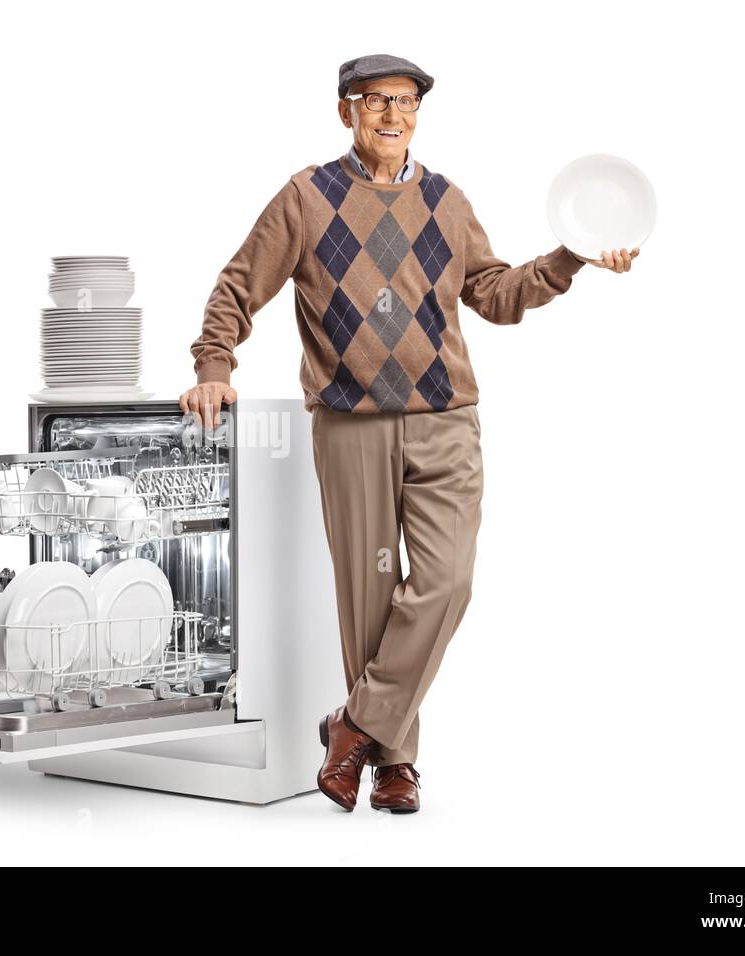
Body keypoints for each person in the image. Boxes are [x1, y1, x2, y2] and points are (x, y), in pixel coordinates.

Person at [179, 54, 638, 813]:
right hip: (350, 423)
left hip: (444, 419)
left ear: (418, 113)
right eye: (374, 101)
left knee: (446, 584)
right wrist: (213, 364)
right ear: (344, 111)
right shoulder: (308, 197)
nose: (392, 116)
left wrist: (570, 258)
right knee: (370, 599)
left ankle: (352, 723)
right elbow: (238, 284)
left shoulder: (446, 202)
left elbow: (494, 294)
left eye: (406, 102)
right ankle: (394, 765)